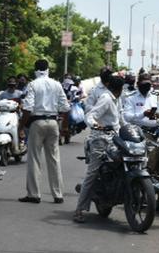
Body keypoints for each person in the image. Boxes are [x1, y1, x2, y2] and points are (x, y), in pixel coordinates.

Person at [73, 76, 125, 223]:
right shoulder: (106, 99)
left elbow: (120, 120)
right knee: (92, 173)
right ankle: (79, 210)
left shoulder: (116, 99)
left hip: (114, 139)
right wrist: (95, 125)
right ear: (120, 89)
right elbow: (90, 116)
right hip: (100, 139)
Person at [18, 59, 70, 204]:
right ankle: (58, 194)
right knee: (54, 159)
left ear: (35, 70)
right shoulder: (56, 84)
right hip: (53, 123)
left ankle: (34, 194)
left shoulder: (33, 85)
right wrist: (65, 127)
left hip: (37, 122)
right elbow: (66, 108)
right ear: (48, 69)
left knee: (34, 158)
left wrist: (21, 126)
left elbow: (27, 108)